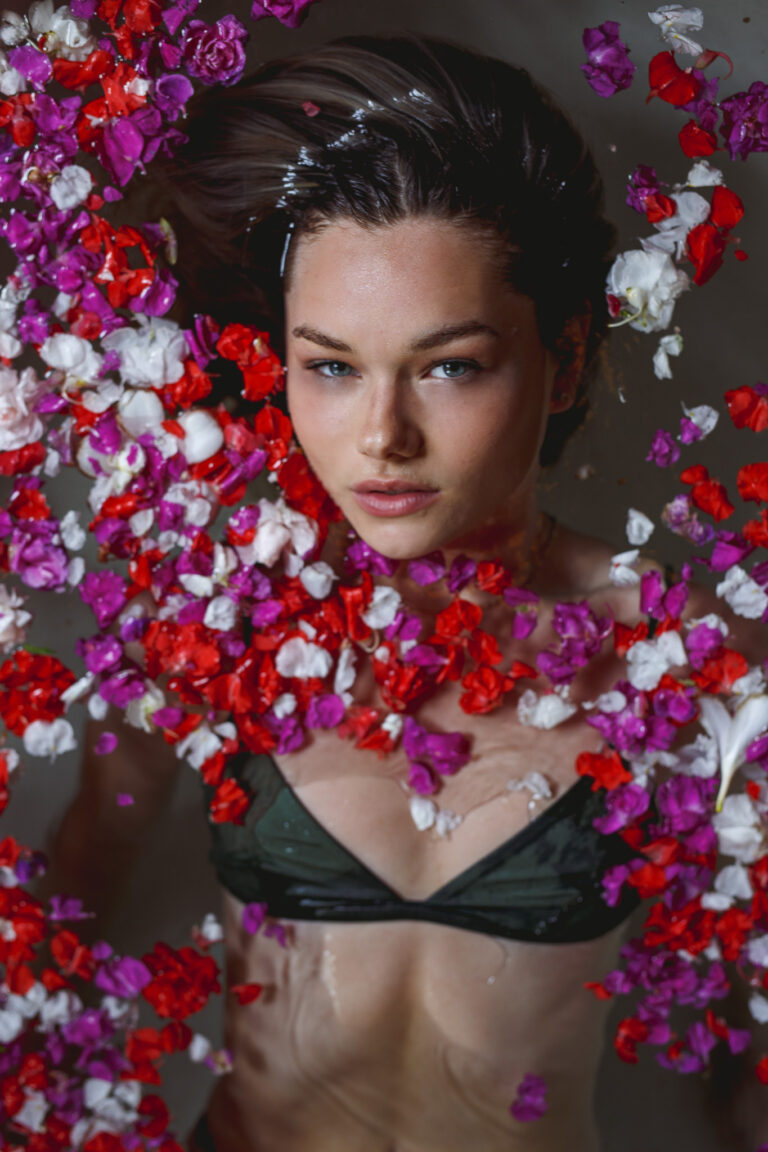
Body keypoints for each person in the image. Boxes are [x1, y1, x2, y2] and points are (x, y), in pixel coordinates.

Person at [44, 34, 765, 1152]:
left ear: (565, 359)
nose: (381, 436)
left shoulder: (690, 661)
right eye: (331, 365)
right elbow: (69, 901)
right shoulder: (207, 631)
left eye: (450, 364)